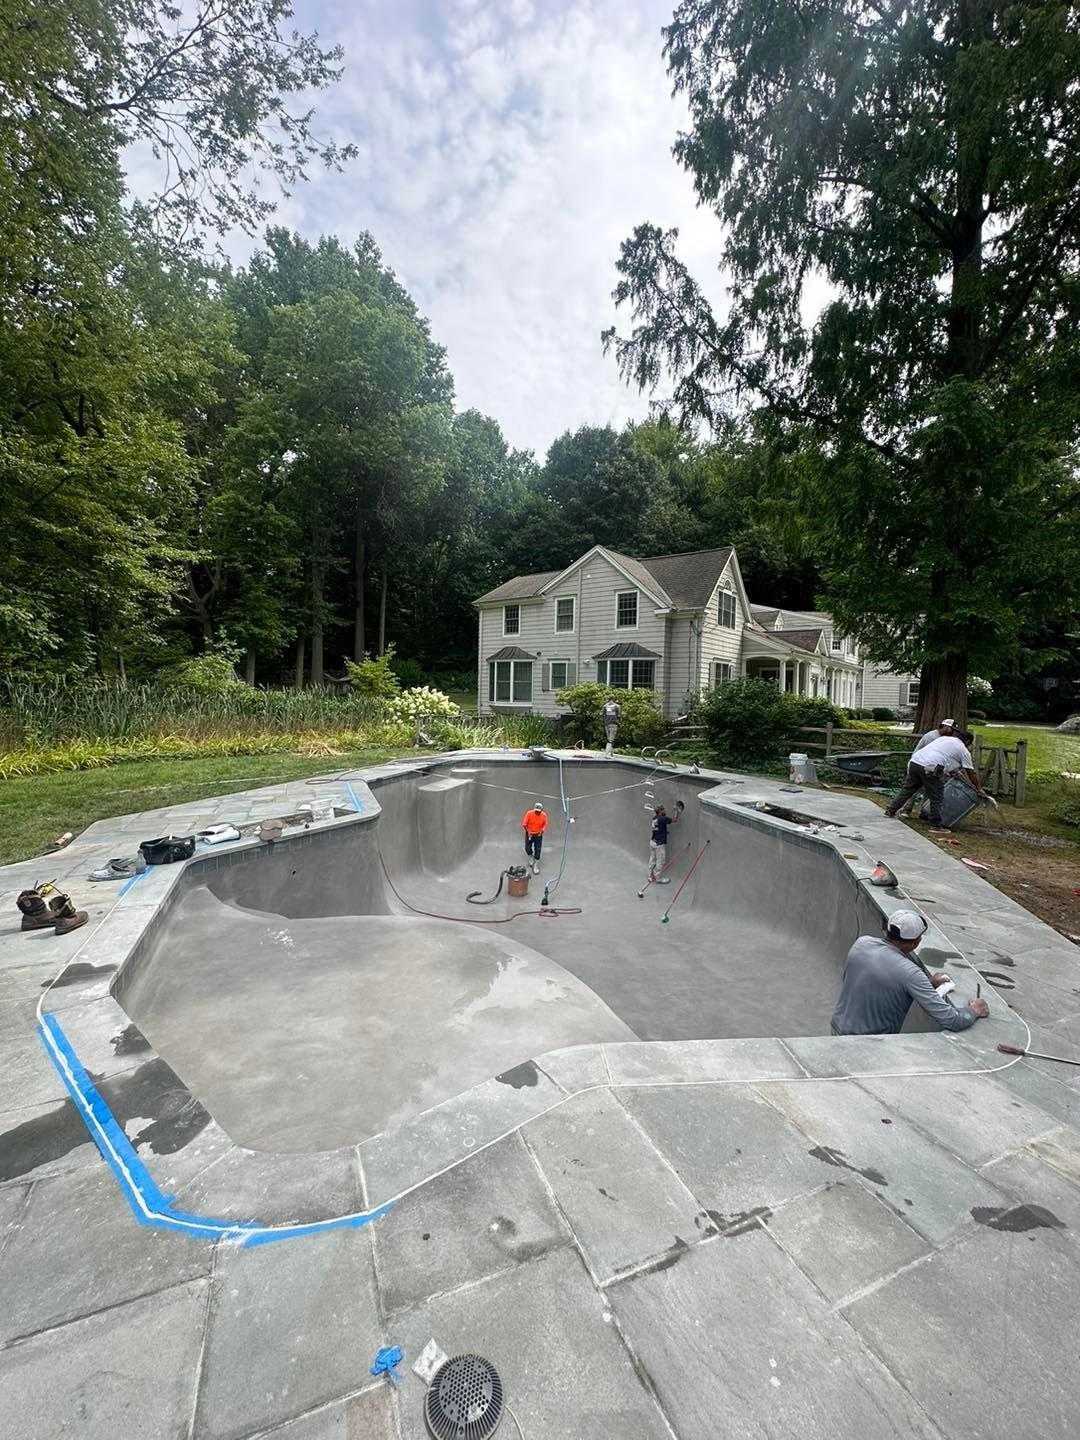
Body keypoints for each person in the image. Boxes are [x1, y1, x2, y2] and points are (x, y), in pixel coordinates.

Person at [831, 910, 990, 1034]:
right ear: (916, 942)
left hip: (837, 1028)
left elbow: (886, 981)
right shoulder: (910, 973)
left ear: (887, 930)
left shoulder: (862, 943)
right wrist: (973, 1010)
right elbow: (952, 1021)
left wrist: (928, 984)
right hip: (868, 1044)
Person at [885, 727, 987, 828]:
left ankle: (891, 810)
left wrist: (951, 770)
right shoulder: (963, 750)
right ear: (968, 741)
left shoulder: (944, 739)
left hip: (915, 762)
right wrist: (978, 788)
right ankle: (935, 824)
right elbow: (971, 771)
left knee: (908, 790)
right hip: (930, 768)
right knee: (937, 796)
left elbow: (942, 755)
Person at [896, 717, 956, 815]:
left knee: (929, 790)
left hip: (930, 767)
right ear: (945, 726)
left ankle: (924, 812)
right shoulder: (932, 736)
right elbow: (931, 755)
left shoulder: (943, 738)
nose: (952, 732)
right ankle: (906, 809)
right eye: (951, 729)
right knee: (913, 788)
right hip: (919, 763)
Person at [649, 800, 684, 883]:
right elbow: (675, 820)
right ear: (660, 811)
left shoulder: (654, 818)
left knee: (652, 859)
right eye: (663, 809)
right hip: (659, 844)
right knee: (660, 861)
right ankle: (658, 878)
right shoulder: (662, 819)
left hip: (653, 842)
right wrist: (676, 811)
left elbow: (658, 828)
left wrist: (664, 832)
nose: (665, 810)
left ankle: (650, 876)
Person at [522, 801, 548, 875]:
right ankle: (531, 856)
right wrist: (528, 831)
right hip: (530, 833)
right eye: (536, 811)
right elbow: (524, 824)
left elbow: (545, 824)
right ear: (534, 809)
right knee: (527, 848)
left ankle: (536, 864)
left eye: (539, 811)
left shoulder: (544, 815)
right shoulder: (529, 813)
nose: (537, 812)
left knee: (538, 849)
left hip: (538, 834)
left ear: (542, 810)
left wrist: (542, 832)